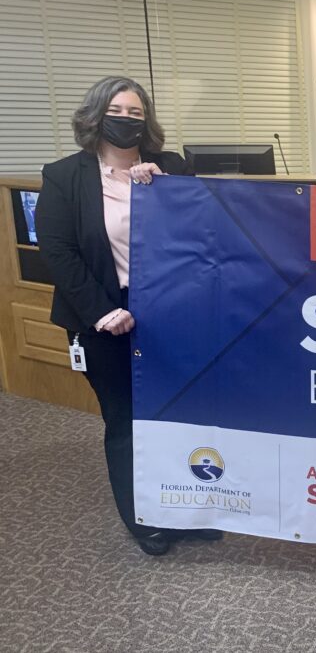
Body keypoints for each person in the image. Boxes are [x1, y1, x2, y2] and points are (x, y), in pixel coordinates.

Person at [35, 76, 223, 556]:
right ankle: (142, 518)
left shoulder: (174, 168)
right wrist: (103, 311)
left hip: (170, 315)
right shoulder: (64, 176)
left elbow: (206, 232)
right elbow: (58, 252)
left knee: (179, 416)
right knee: (126, 422)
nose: (127, 120)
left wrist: (164, 190)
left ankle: (186, 510)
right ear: (97, 117)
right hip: (104, 319)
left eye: (137, 113)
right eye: (118, 111)